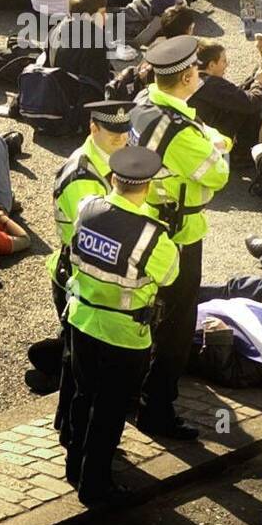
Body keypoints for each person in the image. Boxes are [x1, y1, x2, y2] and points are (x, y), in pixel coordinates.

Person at [64, 146, 179, 506]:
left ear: (114, 179)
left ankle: (74, 465)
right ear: (146, 187)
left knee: (83, 395)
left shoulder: (87, 208)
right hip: (125, 335)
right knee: (110, 409)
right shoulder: (153, 236)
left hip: (82, 321)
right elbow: (170, 276)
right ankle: (95, 485)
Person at [129, 36, 231, 440]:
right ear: (188, 75)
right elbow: (217, 174)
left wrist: (207, 138)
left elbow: (196, 130)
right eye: (198, 73)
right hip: (179, 233)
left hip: (144, 219)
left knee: (146, 312)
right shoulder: (182, 132)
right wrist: (218, 145)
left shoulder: (144, 103)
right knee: (175, 323)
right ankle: (157, 408)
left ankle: (132, 391)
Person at [33, 102, 131, 421]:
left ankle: (62, 387)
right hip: (80, 275)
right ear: (94, 128)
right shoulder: (82, 176)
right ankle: (74, 431)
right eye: (113, 134)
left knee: (83, 356)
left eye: (124, 132)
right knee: (86, 366)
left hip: (90, 272)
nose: (121, 139)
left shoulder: (113, 159)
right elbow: (99, 237)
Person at [190, 38, 262, 158]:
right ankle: (240, 154)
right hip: (208, 143)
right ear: (211, 65)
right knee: (240, 108)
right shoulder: (213, 84)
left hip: (192, 135)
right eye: (224, 61)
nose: (227, 65)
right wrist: (258, 83)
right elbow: (251, 102)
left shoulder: (190, 77)